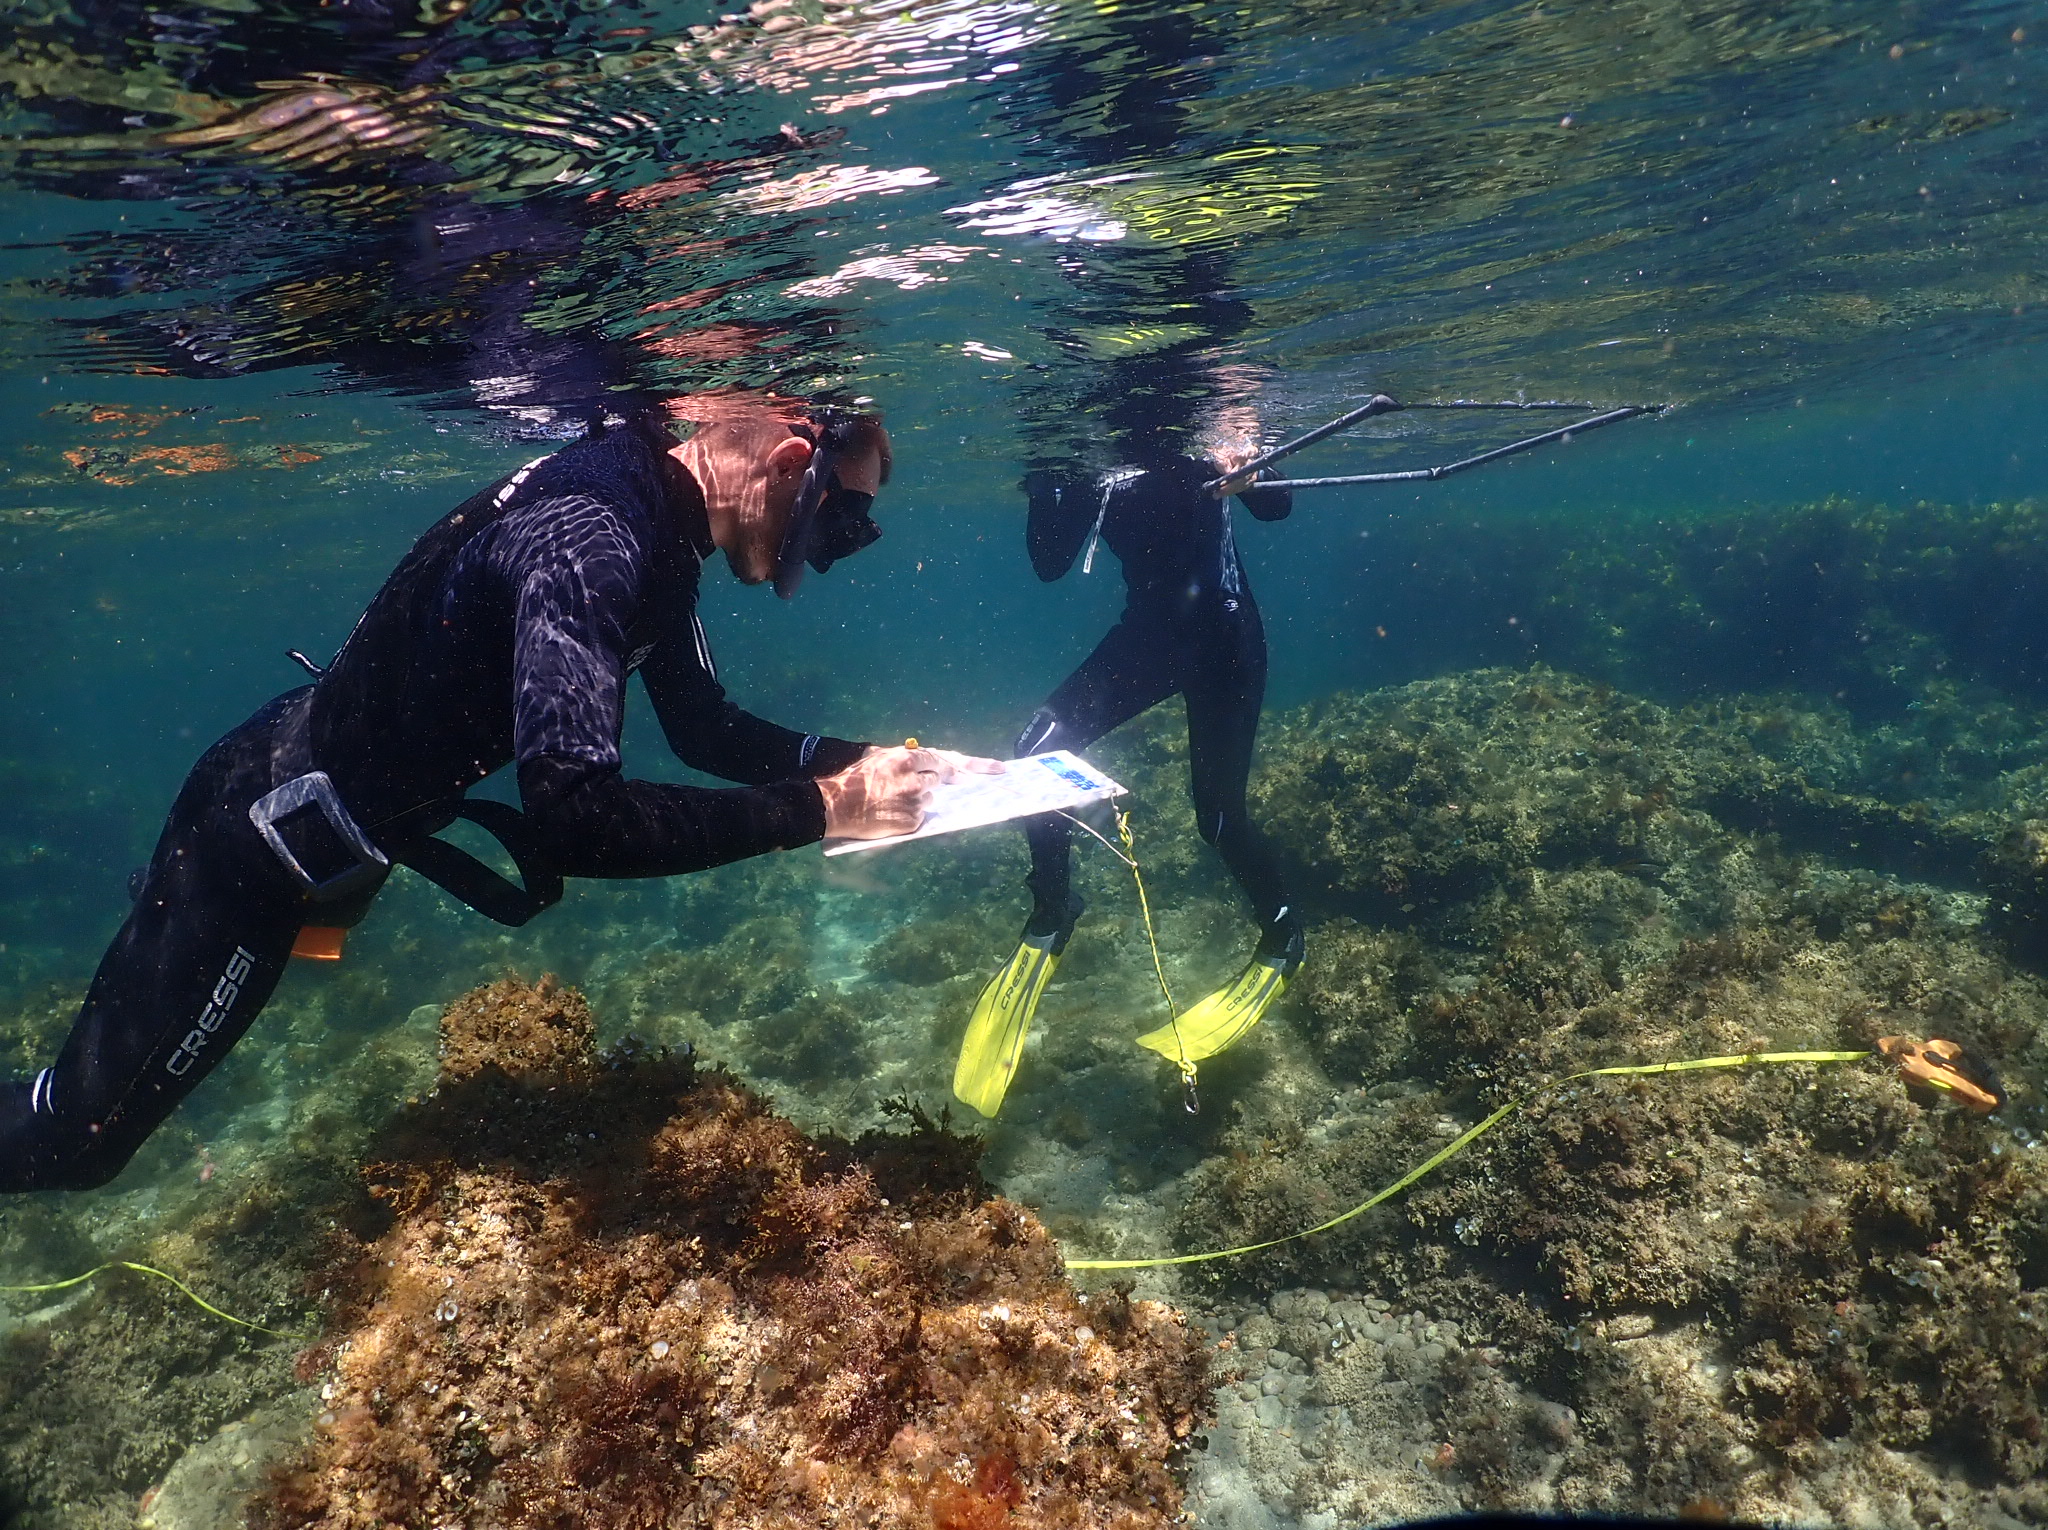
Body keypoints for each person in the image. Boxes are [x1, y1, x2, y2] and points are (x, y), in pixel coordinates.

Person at [2, 397, 994, 1193]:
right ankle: (171, 906)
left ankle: (163, 910)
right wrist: (825, 809)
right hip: (256, 852)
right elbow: (576, 816)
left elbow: (707, 730)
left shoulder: (658, 525)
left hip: (324, 830)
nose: (833, 549)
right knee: (73, 1141)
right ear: (786, 461)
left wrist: (892, 768)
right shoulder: (594, 539)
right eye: (844, 518)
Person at [953, 440, 1302, 1118]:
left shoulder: (1202, 420)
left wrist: (1250, 464)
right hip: (1150, 635)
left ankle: (1285, 935)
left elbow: (1279, 506)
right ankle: (1053, 912)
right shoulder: (1084, 435)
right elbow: (1051, 562)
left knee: (1219, 818)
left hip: (1227, 639)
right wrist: (1055, 479)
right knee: (1035, 754)